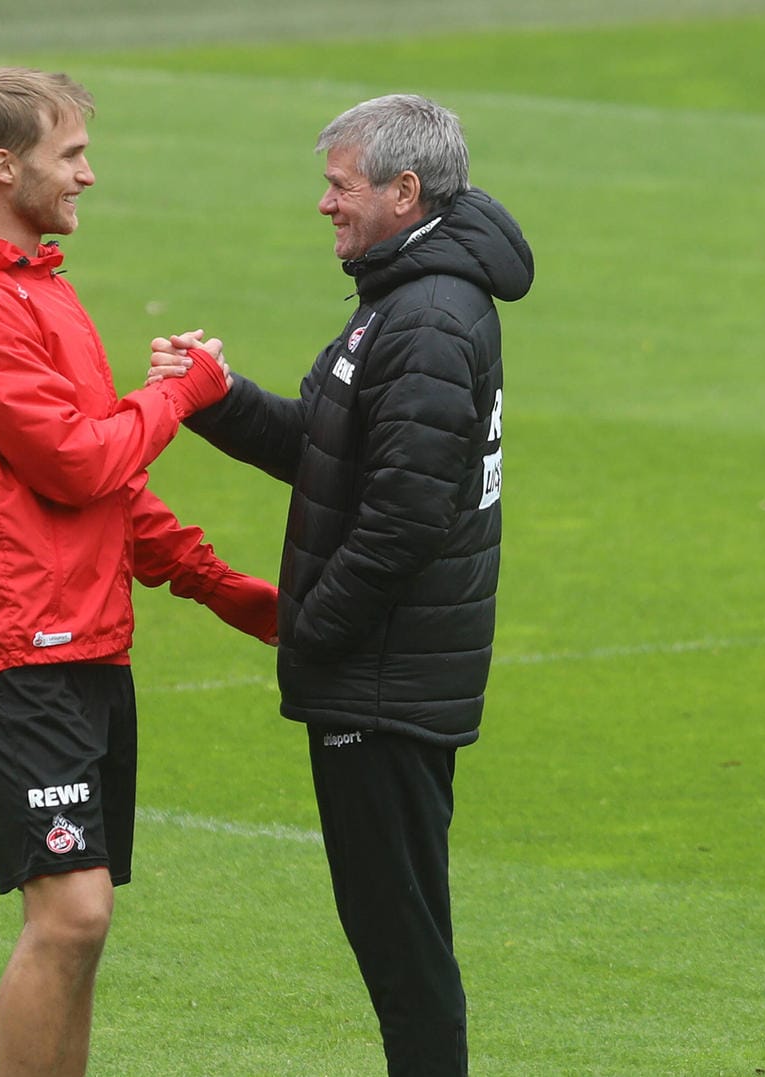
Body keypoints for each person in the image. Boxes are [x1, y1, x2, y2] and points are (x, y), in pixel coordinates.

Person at [0, 67, 279, 1077]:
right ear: (3, 165)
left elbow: (105, 481)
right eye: (70, 156)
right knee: (71, 914)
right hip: (11, 645)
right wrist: (187, 394)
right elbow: (81, 457)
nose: (89, 176)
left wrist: (227, 590)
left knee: (86, 925)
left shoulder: (44, 293)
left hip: (89, 640)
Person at [150, 94, 533, 1075]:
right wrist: (218, 399)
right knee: (396, 939)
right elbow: (339, 457)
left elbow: (406, 516)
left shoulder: (431, 319)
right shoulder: (409, 298)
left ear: (405, 193)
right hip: (390, 674)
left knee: (402, 950)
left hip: (386, 681)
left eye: (340, 185)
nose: (325, 204)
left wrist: (314, 630)